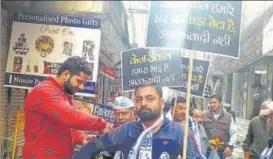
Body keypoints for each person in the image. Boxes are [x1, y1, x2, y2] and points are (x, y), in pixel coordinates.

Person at [73, 82, 202, 159]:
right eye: (139, 99)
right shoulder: (126, 130)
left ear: (162, 103)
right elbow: (94, 147)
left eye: (150, 98)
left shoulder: (181, 134)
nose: (144, 103)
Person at [23, 56, 107, 159]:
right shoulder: (45, 91)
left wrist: (82, 138)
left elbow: (68, 126)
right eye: (79, 81)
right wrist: (103, 124)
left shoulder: (65, 95)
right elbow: (71, 116)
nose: (81, 87)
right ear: (66, 74)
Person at [203, 94, 237, 159]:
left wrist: (230, 147)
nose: (212, 105)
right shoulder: (204, 115)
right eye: (210, 103)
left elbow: (234, 133)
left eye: (214, 102)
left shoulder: (229, 117)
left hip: (223, 152)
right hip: (207, 152)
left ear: (221, 104)